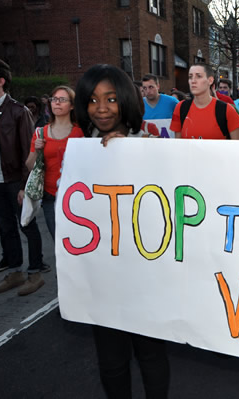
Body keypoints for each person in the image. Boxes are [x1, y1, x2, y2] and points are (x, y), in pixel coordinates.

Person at [75, 63, 170, 398]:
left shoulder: (150, 144)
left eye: (111, 99)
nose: (102, 108)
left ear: (126, 101)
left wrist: (131, 151)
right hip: (103, 282)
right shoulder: (80, 152)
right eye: (93, 99)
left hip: (146, 279)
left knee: (151, 355)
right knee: (111, 363)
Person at [0, 56, 46, 295]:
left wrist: (25, 185)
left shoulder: (18, 112)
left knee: (27, 226)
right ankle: (15, 271)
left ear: (0, 81)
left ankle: (35, 273)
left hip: (15, 181)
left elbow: (28, 150)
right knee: (6, 227)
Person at [25, 86, 83, 241]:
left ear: (71, 105)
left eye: (62, 99)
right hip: (50, 197)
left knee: (79, 242)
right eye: (54, 99)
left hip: (78, 195)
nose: (57, 103)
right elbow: (30, 166)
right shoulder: (40, 132)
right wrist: (37, 150)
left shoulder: (82, 132)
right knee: (59, 243)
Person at [170, 63, 239, 140]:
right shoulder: (181, 108)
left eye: (199, 76)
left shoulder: (227, 110)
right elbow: (178, 145)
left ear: (210, 80)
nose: (193, 81)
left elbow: (238, 148)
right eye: (190, 77)